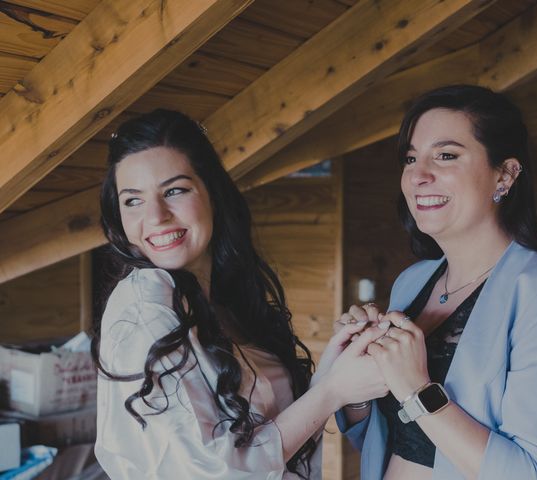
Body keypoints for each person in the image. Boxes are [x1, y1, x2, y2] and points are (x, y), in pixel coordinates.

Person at [333, 85, 537, 479]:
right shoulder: (411, 283)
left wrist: (418, 389)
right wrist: (355, 382)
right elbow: (395, 440)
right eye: (410, 158)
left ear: (505, 174)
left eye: (446, 155)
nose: (418, 175)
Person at [91, 109, 387, 479]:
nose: (155, 216)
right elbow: (208, 471)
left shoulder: (224, 300)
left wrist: (336, 364)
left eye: (175, 190)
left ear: (212, 194)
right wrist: (332, 392)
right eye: (132, 200)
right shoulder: (144, 300)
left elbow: (276, 430)